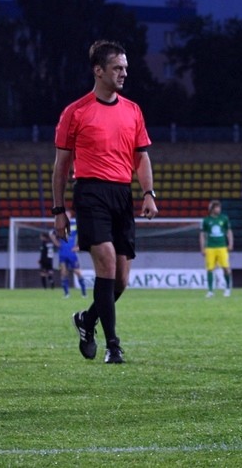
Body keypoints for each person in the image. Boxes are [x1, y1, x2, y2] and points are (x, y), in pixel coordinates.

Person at [53, 39, 158, 365]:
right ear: (98, 71)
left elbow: (141, 157)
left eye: (125, 68)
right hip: (90, 193)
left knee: (121, 280)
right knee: (107, 265)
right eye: (117, 68)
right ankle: (113, 346)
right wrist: (59, 210)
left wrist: (149, 193)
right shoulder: (75, 112)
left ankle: (87, 320)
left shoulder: (133, 110)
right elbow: (61, 165)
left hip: (122, 195)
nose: (124, 73)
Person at [200, 200, 234, 298]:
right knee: (210, 269)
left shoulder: (224, 219)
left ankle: (227, 289)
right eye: (217, 208)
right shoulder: (206, 220)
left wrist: (230, 243)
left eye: (219, 207)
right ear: (212, 209)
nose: (219, 209)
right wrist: (202, 247)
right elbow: (202, 235)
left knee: (226, 268)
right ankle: (210, 291)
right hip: (210, 247)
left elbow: (229, 232)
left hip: (222, 247)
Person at [52, 209, 87, 298]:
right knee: (63, 273)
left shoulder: (75, 224)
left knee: (77, 272)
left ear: (70, 216)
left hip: (72, 253)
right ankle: (66, 294)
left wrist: (78, 246)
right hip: (62, 253)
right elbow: (52, 234)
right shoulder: (59, 225)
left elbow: (83, 234)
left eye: (68, 215)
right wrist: (56, 243)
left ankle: (84, 293)